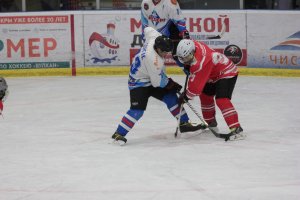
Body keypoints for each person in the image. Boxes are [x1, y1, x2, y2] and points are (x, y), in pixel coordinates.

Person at [112, 27, 203, 145]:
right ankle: (119, 134)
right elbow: (157, 83)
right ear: (158, 48)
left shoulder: (154, 37)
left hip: (149, 75)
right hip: (138, 83)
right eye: (164, 52)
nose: (165, 55)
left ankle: (184, 123)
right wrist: (170, 83)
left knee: (171, 97)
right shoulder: (155, 61)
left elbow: (148, 29)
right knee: (137, 110)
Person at [176, 39, 245, 141]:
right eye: (183, 58)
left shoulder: (201, 62)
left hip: (226, 72)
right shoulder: (192, 44)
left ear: (193, 52)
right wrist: (187, 66)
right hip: (211, 73)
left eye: (187, 57)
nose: (186, 60)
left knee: (222, 99)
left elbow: (195, 88)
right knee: (205, 97)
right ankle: (211, 124)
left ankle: (236, 129)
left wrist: (186, 96)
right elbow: (194, 77)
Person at [141, 0, 190, 72]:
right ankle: (156, 76)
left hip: (170, 31)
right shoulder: (145, 3)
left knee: (178, 55)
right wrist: (144, 35)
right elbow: (144, 22)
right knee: (152, 58)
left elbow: (179, 19)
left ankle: (190, 72)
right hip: (153, 35)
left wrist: (183, 31)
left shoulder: (170, 3)